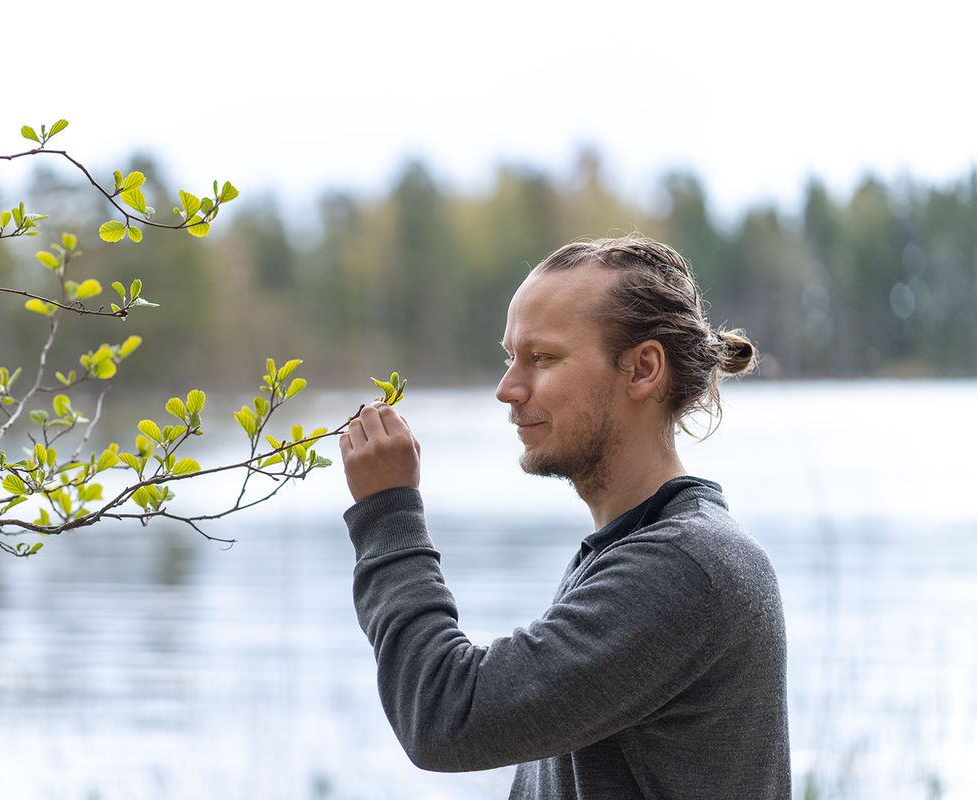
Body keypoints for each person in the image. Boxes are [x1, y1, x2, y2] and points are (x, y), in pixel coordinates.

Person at [337, 236, 791, 799]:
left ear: (644, 368)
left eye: (542, 358)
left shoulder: (688, 568)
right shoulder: (633, 549)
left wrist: (388, 513)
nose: (508, 389)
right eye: (510, 357)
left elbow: (445, 715)